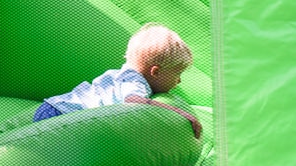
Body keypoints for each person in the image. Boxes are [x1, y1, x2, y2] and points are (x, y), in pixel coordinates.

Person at [33, 23, 202, 138]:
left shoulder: (121, 75)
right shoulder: (136, 82)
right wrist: (176, 111)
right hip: (61, 115)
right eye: (177, 74)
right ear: (155, 72)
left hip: (53, 108)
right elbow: (134, 101)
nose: (178, 81)